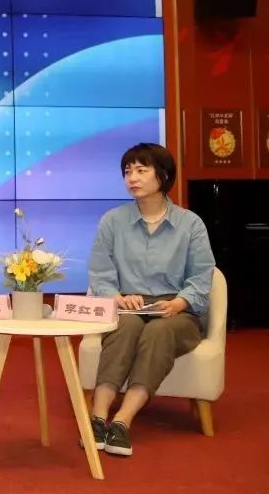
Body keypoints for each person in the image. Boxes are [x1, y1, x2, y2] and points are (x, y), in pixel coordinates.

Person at [87, 143, 215, 457]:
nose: (132, 178)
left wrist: (179, 303)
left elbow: (202, 277)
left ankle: (122, 420)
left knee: (158, 332)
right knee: (125, 328)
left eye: (141, 170)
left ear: (163, 175)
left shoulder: (190, 224)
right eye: (127, 171)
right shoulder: (112, 221)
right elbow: (100, 272)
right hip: (128, 306)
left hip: (176, 311)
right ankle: (98, 418)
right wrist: (117, 298)